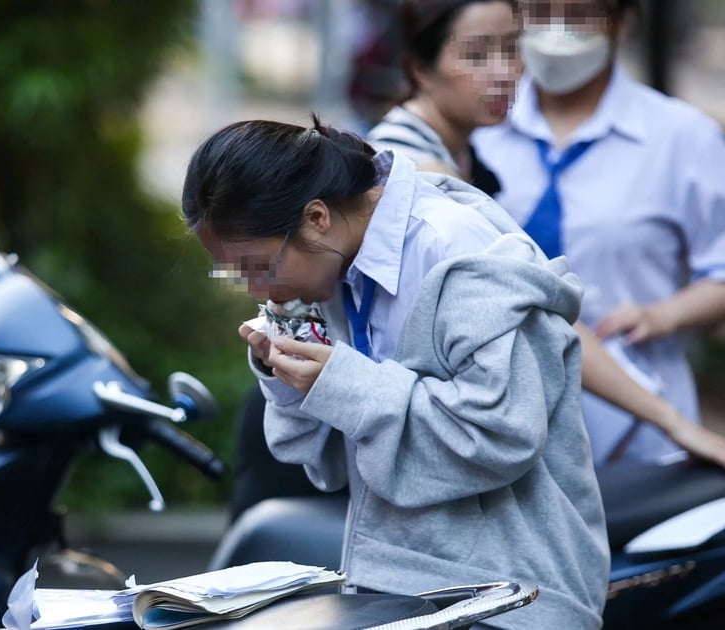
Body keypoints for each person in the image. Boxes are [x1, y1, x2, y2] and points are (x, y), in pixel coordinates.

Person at [183, 116, 609, 628]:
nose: (256, 290)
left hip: (510, 594)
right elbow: (326, 464)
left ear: (316, 218)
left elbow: (502, 436)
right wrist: (290, 378)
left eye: (260, 267)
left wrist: (342, 383)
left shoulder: (458, 251)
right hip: (399, 580)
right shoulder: (339, 263)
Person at [367, 0, 725, 483]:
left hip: (611, 426)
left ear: (623, 19)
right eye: (479, 54)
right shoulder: (422, 168)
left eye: (511, 49)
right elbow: (538, 305)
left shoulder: (469, 143)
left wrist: (662, 320)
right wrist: (673, 422)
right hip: (469, 440)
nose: (506, 71)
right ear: (420, 70)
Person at [472, 0, 725, 468]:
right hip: (494, 413)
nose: (556, 30)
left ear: (623, 19)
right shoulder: (479, 126)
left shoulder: (683, 136)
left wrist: (662, 316)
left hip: (637, 426)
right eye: (541, 11)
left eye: (579, 13)